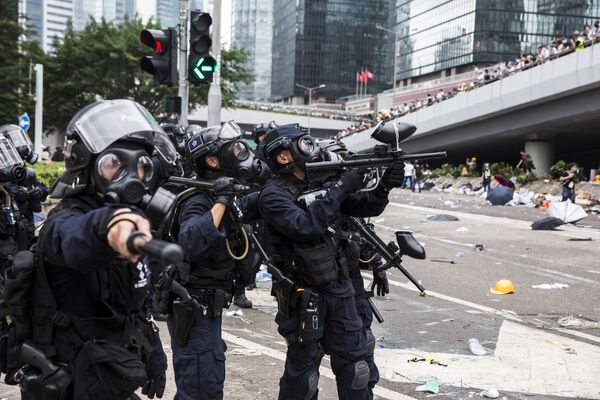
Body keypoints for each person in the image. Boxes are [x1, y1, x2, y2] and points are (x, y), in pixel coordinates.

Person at [5, 99, 169, 400]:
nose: (132, 175)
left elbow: (130, 303)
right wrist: (108, 225)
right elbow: (78, 241)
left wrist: (152, 349)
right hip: (70, 382)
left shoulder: (132, 223)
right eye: (114, 164)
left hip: (109, 374)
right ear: (86, 163)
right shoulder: (64, 222)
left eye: (141, 166)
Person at [258, 123, 402, 400]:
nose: (309, 146)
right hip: (304, 297)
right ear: (283, 156)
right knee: (303, 378)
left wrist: (384, 186)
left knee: (357, 369)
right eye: (301, 143)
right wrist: (340, 186)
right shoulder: (273, 195)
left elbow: (367, 205)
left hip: (340, 289)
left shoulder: (320, 184)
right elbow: (305, 227)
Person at [167, 121, 263, 399]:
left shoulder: (225, 196)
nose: (240, 153)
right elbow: (192, 242)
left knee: (208, 384)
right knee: (199, 388)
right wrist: (221, 199)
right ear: (211, 160)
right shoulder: (198, 200)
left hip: (210, 306)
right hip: (195, 305)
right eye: (232, 149)